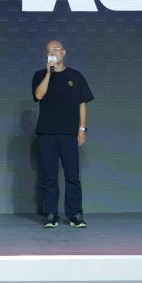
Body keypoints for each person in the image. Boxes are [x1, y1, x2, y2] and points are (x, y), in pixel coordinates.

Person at [31, 39, 94, 228]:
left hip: (69, 133)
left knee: (72, 175)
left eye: (56, 49)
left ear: (64, 52)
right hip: (47, 134)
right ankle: (50, 214)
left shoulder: (76, 76)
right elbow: (38, 95)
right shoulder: (40, 75)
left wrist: (82, 129)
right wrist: (48, 74)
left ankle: (75, 214)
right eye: (49, 51)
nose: (53, 53)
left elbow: (82, 103)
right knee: (49, 176)